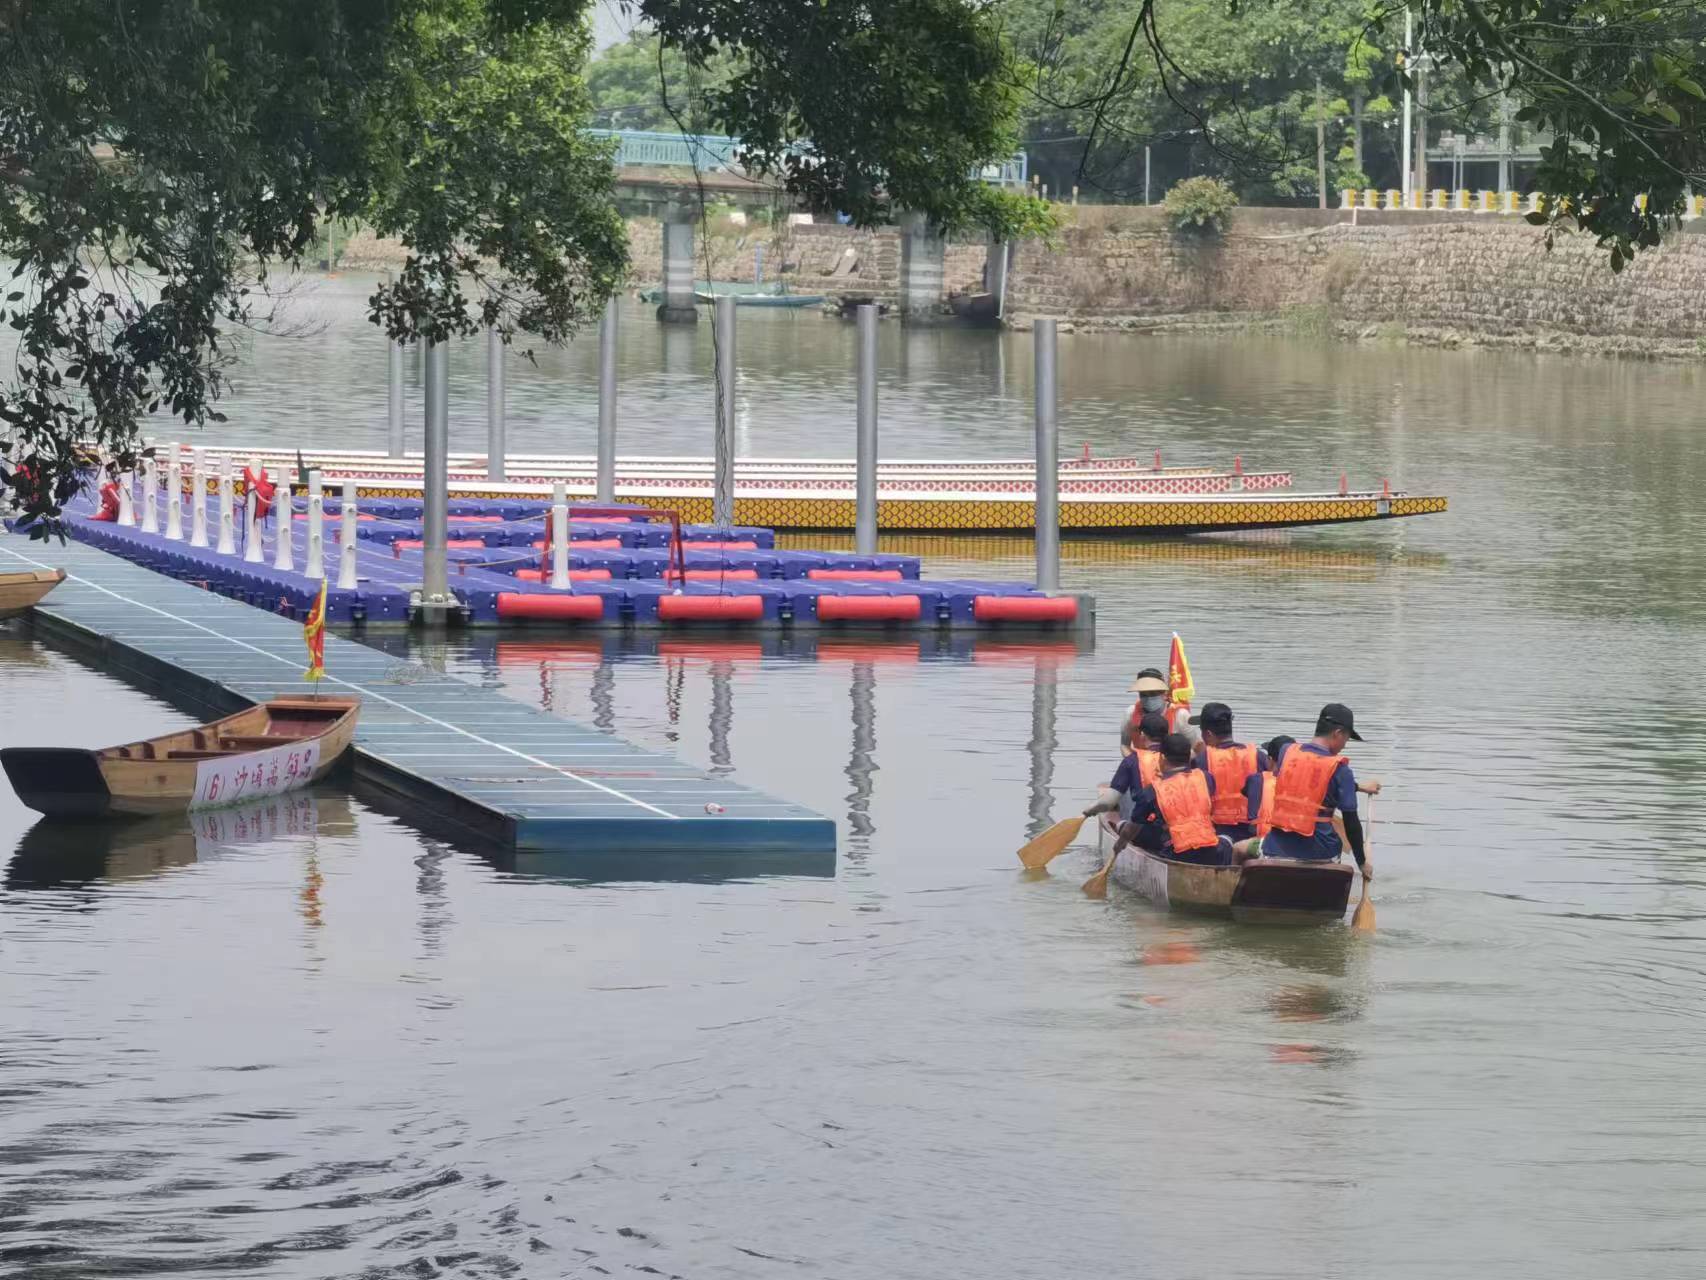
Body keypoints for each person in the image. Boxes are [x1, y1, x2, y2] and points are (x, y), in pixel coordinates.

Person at [1247, 704, 1374, 880]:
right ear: (1337, 733)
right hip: (1321, 853)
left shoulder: (1286, 752)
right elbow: (1351, 823)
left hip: (1275, 849)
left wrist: (1357, 786)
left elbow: (1308, 777)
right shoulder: (1341, 770)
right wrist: (1362, 862)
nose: (1345, 745)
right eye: (1346, 739)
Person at [1115, 733, 1232, 865]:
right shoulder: (1206, 778)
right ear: (1189, 758)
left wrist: (1119, 845)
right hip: (1210, 849)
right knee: (1226, 839)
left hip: (1176, 854)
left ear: (1162, 758)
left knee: (1126, 826)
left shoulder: (1152, 790)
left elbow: (1132, 829)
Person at [1087, 712, 1169, 851]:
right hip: (1174, 831)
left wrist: (1088, 811)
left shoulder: (1131, 761)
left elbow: (1108, 802)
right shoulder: (1179, 760)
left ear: (1142, 735)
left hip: (1145, 832)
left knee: (1121, 822)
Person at [1192, 702, 1270, 842]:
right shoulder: (1258, 756)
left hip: (1215, 834)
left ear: (1208, 734)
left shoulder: (1202, 760)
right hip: (1252, 833)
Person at [1125, 667, 1193, 742]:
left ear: (1164, 692)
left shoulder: (1180, 715)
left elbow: (1197, 746)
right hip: (1140, 752)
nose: (1148, 698)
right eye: (1143, 694)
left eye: (1153, 693)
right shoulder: (1131, 713)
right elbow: (1124, 745)